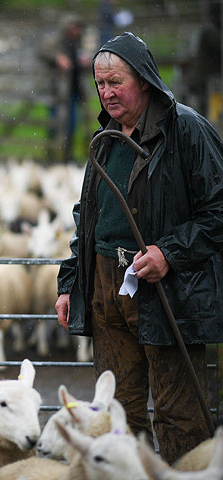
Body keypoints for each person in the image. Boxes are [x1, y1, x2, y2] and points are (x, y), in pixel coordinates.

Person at [55, 32, 223, 464]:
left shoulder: (186, 130)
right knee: (117, 413)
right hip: (107, 289)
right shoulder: (106, 137)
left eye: (116, 82)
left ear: (144, 80)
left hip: (168, 291)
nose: (106, 92)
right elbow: (88, 218)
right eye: (99, 84)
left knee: (178, 412)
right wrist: (71, 282)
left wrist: (170, 252)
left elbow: (219, 209)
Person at [38, 14, 91, 162]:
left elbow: (88, 59)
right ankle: (52, 154)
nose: (76, 30)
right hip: (58, 92)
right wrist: (57, 58)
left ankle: (67, 156)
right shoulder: (56, 42)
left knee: (72, 125)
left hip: (74, 90)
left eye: (77, 27)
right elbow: (42, 51)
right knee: (55, 124)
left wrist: (87, 60)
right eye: (73, 27)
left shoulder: (79, 43)